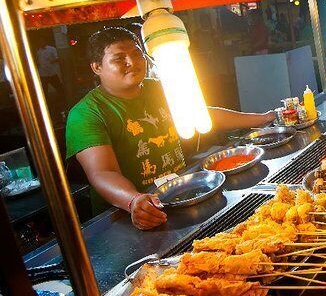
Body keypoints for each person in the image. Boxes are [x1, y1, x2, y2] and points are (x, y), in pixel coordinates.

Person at [65, 27, 276, 230]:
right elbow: (103, 172)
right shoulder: (86, 113)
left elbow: (203, 113)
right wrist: (134, 201)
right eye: (119, 58)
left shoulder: (157, 88)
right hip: (128, 216)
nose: (132, 62)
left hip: (181, 195)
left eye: (137, 54)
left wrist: (263, 118)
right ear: (97, 67)